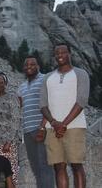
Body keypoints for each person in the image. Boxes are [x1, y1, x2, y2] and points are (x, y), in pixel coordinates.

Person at [40, 43, 90, 188]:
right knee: (58, 166)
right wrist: (54, 123)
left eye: (63, 52)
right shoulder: (48, 77)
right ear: (54, 56)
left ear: (70, 54)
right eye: (57, 53)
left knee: (76, 165)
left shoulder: (81, 73)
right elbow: (43, 104)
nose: (60, 55)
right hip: (52, 128)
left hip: (74, 126)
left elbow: (81, 101)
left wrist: (63, 124)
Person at [17, 56, 55, 188]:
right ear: (23, 68)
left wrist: (43, 127)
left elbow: (51, 104)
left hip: (42, 129)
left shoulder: (45, 79)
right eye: (26, 64)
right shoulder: (21, 86)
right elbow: (18, 106)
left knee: (45, 166)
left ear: (38, 66)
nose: (29, 66)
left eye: (32, 64)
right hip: (27, 132)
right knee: (36, 169)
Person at [0, 72, 21, 186]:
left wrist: (9, 142)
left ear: (5, 83)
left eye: (1, 82)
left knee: (10, 175)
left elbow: (16, 120)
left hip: (7, 145)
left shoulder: (12, 98)